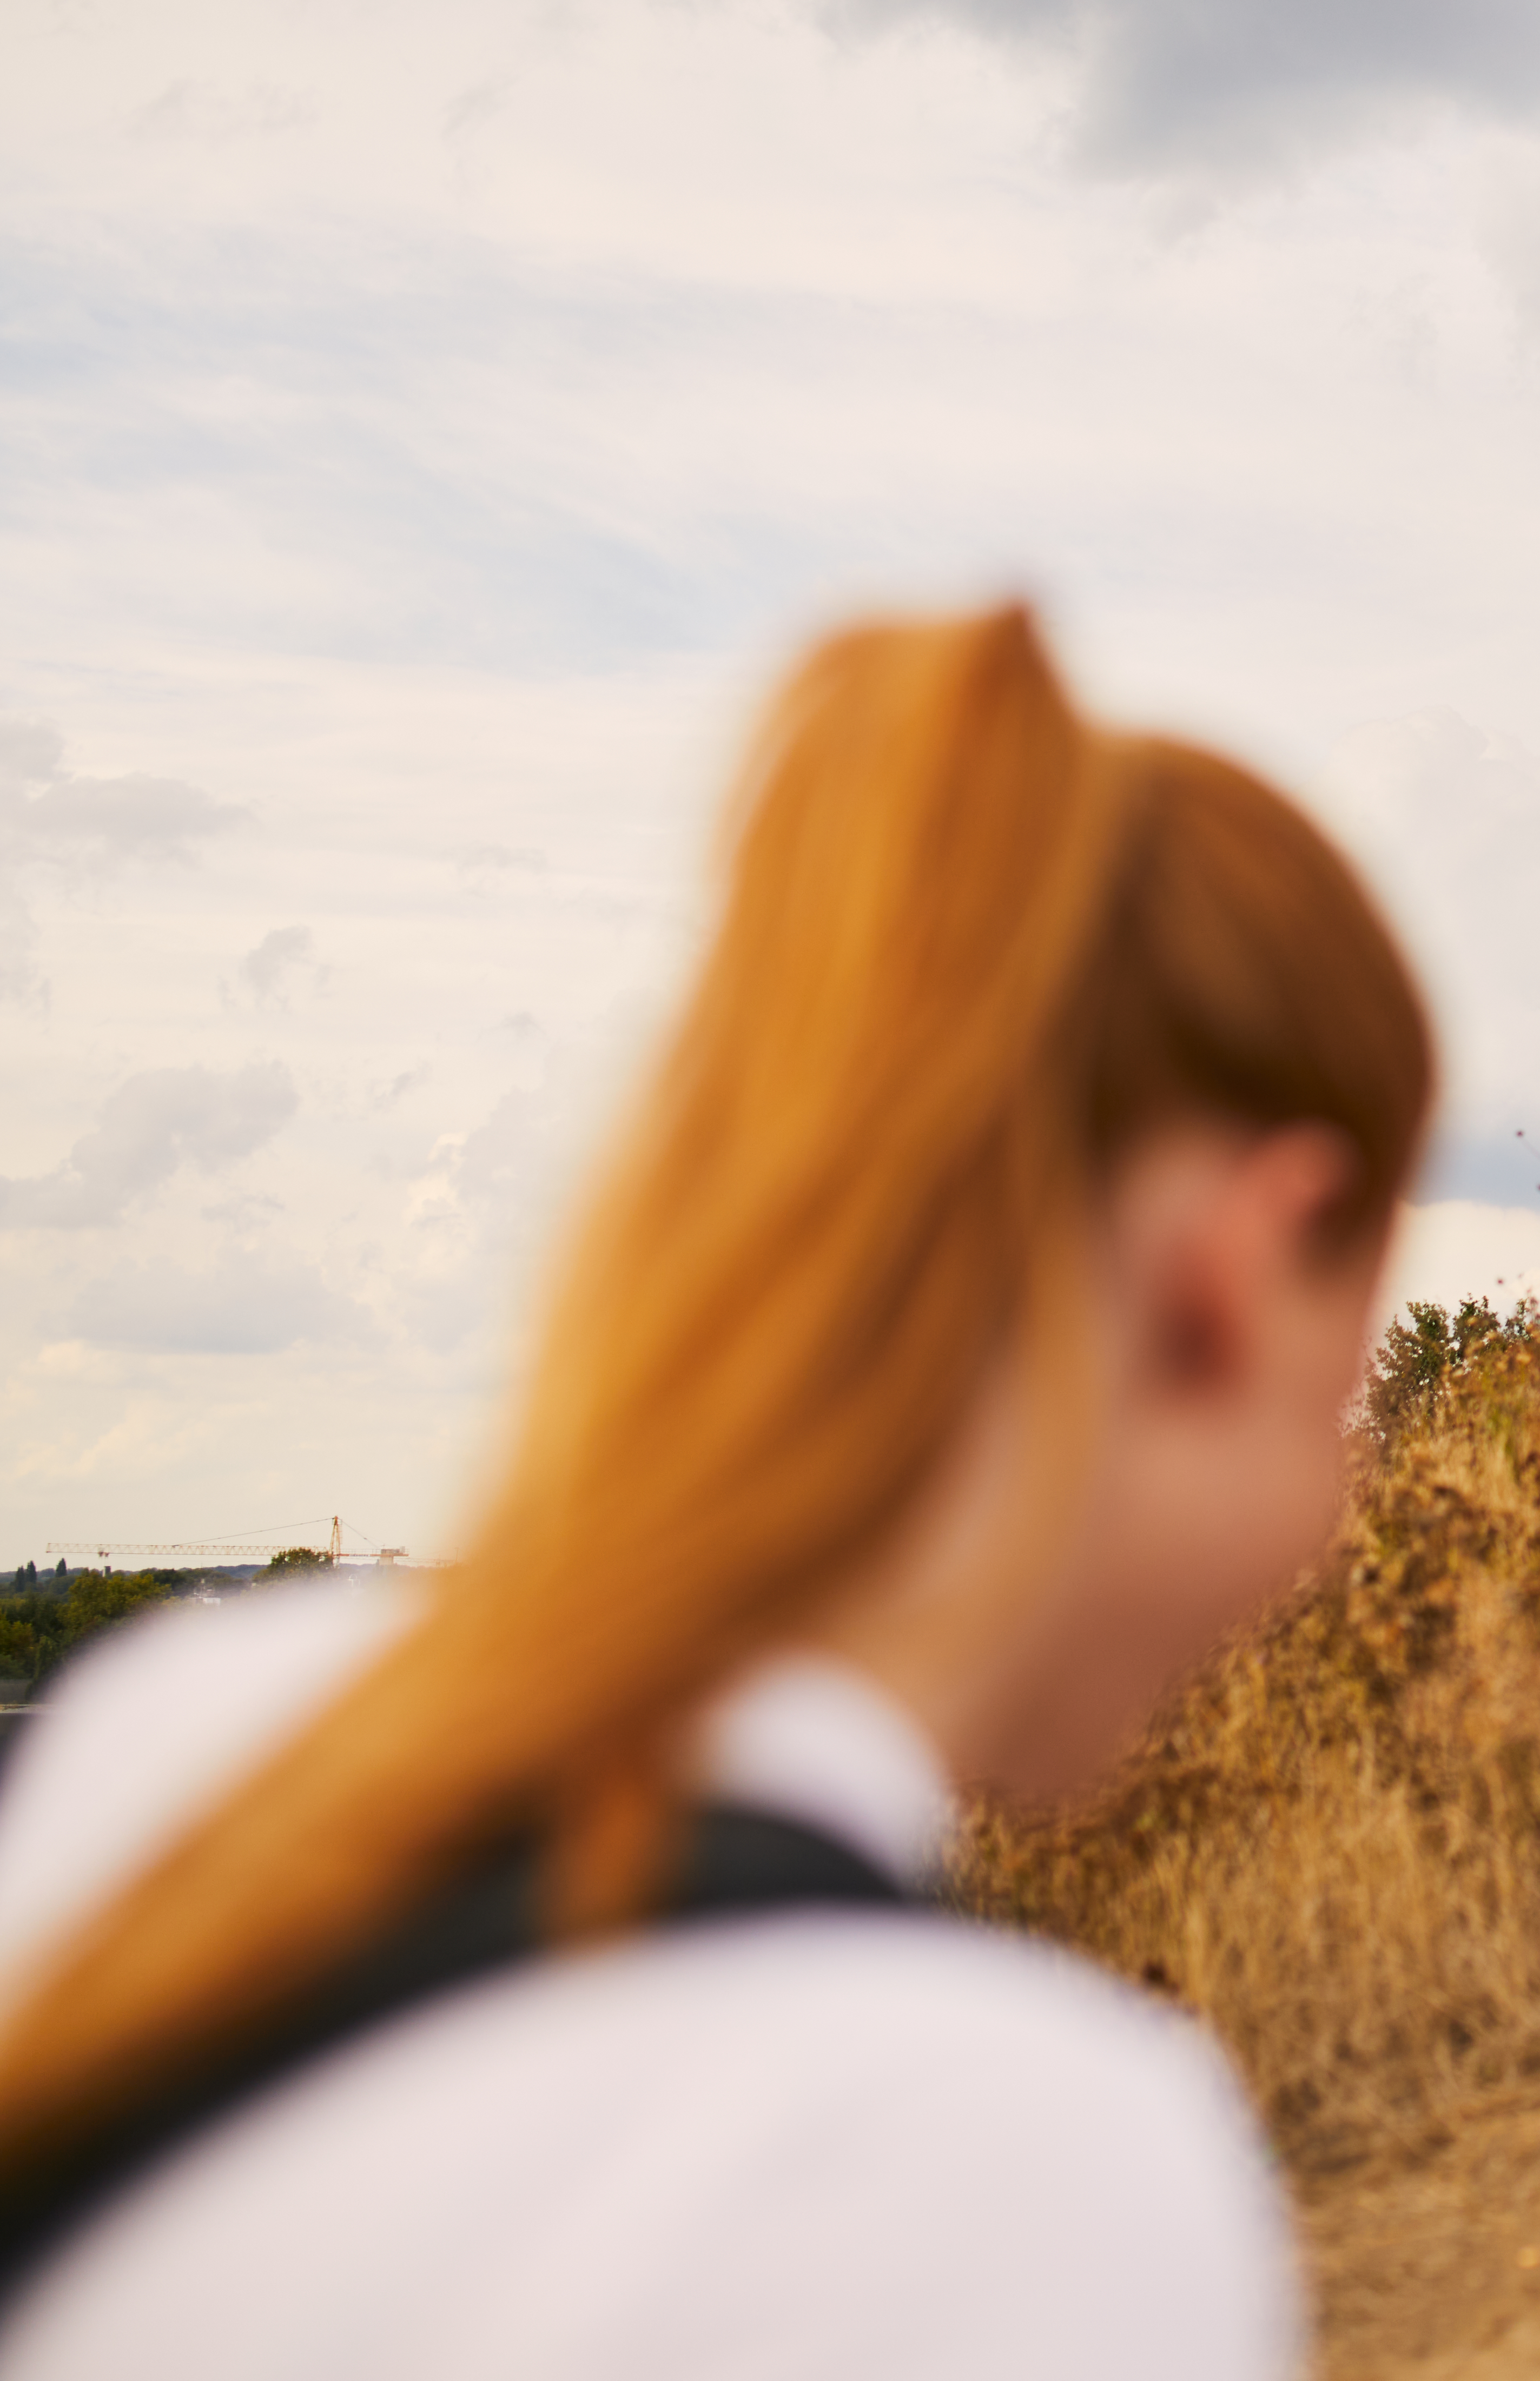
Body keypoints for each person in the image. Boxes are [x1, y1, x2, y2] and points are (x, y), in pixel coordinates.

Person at [0, 607, 1429, 2377]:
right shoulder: (1021, 2178)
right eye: (1346, 1392)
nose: (1339, 1511)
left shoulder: (181, 1736)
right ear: (1237, 1271)